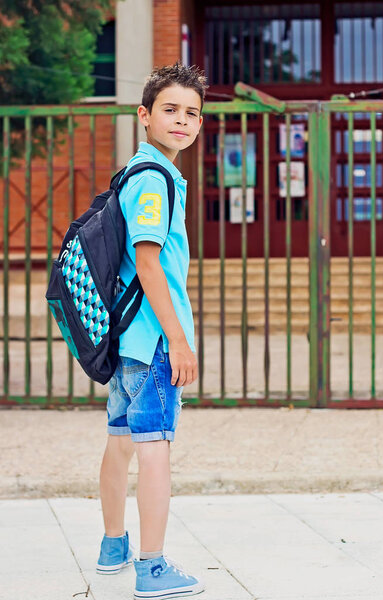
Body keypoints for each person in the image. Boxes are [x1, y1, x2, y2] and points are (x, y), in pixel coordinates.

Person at [96, 62, 207, 599]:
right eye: (170, 110)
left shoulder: (139, 170)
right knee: (154, 447)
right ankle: (153, 566)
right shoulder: (153, 179)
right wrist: (179, 340)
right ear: (144, 115)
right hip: (154, 341)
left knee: (120, 441)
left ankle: (113, 546)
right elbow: (148, 262)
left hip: (127, 339)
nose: (182, 120)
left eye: (192, 113)